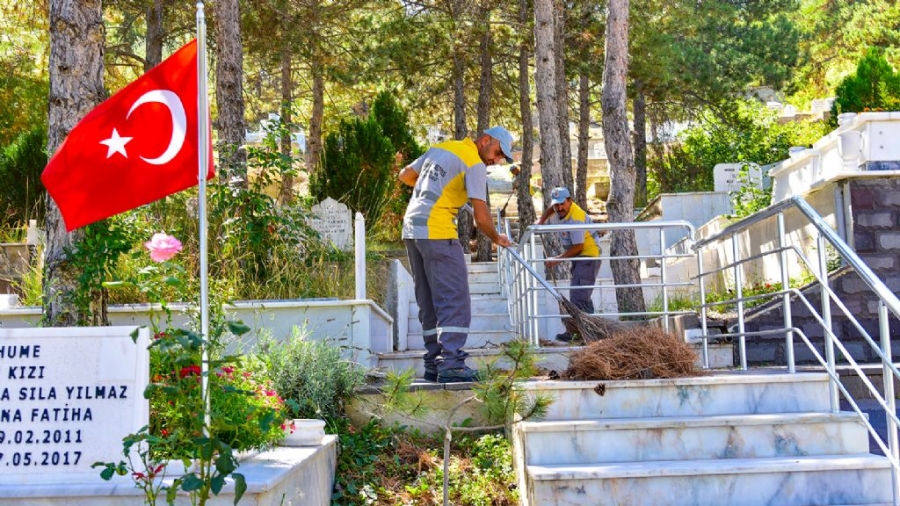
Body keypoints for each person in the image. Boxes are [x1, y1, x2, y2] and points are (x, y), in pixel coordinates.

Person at [399, 126, 514, 383]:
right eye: (496, 152)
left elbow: (405, 175)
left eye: (501, 158)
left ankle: (433, 364)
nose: (495, 160)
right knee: (455, 299)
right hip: (438, 232)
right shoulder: (473, 162)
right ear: (485, 140)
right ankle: (451, 365)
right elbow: (482, 216)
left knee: (428, 300)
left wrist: (444, 191)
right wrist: (497, 239)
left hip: (412, 230)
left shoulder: (443, 148)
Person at [536, 187, 602, 342]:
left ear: (570, 201)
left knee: (578, 296)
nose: (559, 208)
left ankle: (577, 333)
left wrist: (557, 259)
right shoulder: (560, 209)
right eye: (556, 205)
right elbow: (550, 210)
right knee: (581, 295)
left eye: (562, 204)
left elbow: (578, 246)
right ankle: (590, 332)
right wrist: (541, 220)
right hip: (581, 258)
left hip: (587, 257)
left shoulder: (576, 217)